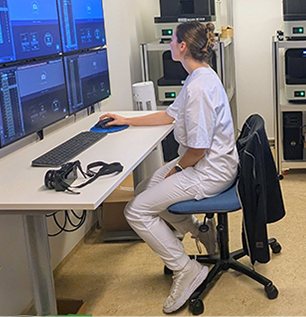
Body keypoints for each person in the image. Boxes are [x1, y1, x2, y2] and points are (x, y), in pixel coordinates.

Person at [100, 21, 238, 314]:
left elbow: (199, 149)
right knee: (145, 189)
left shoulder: (200, 87)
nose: (170, 44)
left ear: (183, 46)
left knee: (136, 210)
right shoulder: (198, 77)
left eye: (172, 40)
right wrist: (127, 120)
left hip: (208, 170)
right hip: (203, 161)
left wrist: (177, 170)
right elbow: (169, 115)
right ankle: (200, 231)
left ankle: (186, 269)